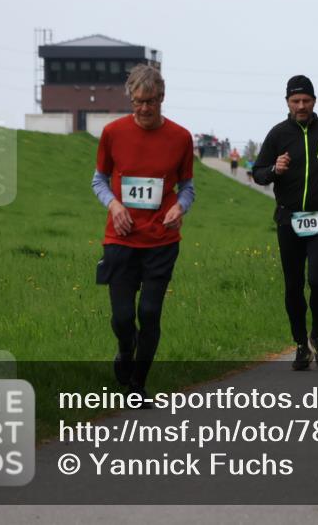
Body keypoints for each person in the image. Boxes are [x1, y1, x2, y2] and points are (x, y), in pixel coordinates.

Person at [92, 64, 195, 406]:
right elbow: (99, 180)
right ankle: (126, 350)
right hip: (121, 239)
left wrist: (180, 207)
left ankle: (137, 385)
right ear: (130, 99)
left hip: (161, 241)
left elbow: (188, 187)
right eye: (138, 101)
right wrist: (114, 205)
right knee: (123, 318)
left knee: (149, 313)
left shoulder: (180, 137)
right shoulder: (113, 133)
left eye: (150, 101)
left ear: (162, 98)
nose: (144, 108)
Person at [252, 76, 318, 370]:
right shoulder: (278, 134)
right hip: (289, 220)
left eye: (306, 101)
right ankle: (300, 344)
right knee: (294, 285)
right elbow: (258, 172)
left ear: (314, 101)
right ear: (287, 102)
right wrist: (275, 169)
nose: (301, 106)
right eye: (295, 101)